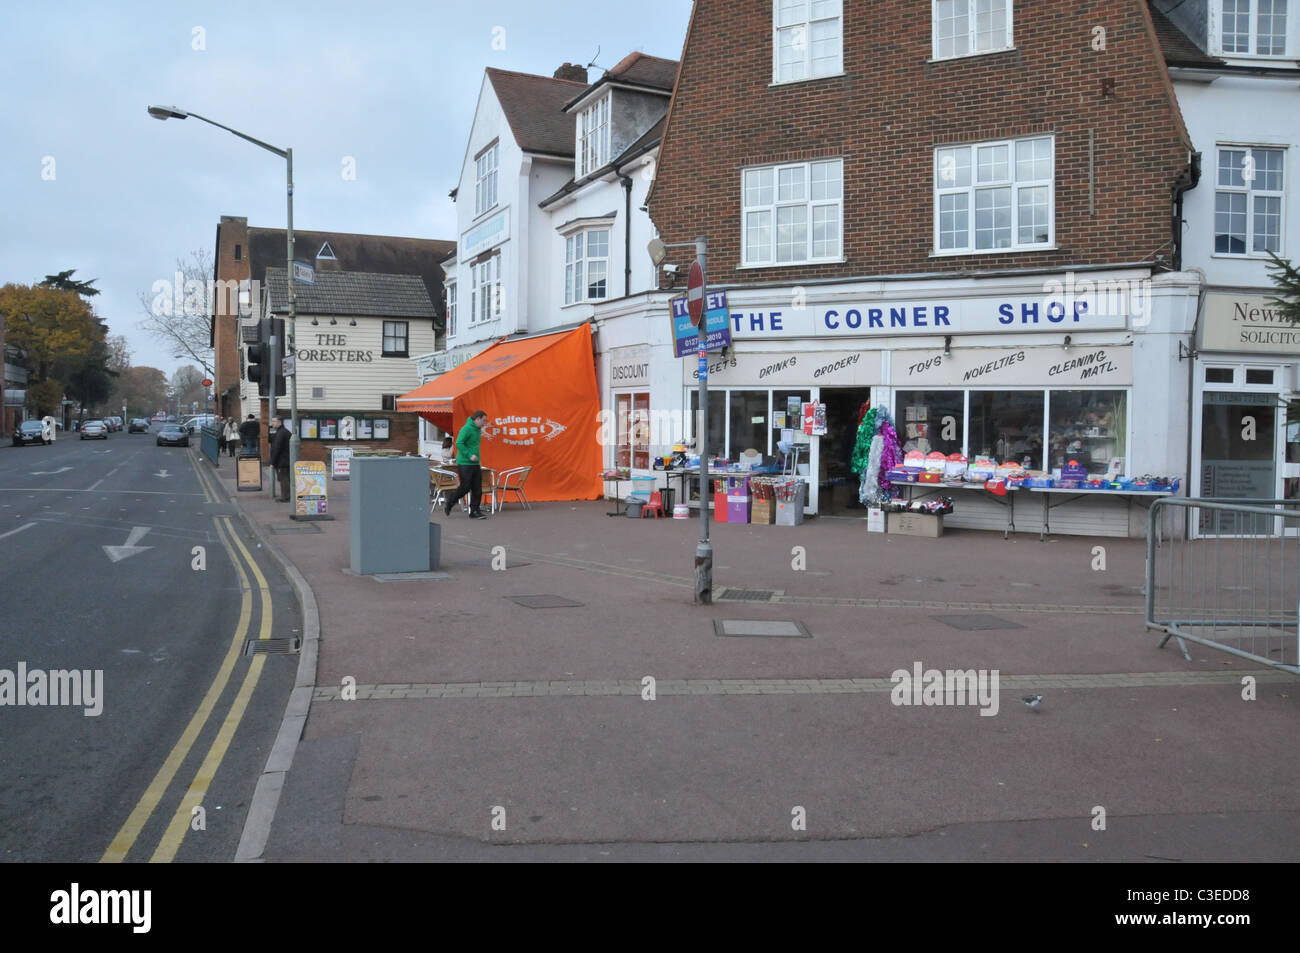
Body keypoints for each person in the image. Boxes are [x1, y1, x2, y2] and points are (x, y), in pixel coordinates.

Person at [443, 410, 488, 519]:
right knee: (465, 487)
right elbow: (458, 443)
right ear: (477, 419)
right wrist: (469, 455)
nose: (484, 423)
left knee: (477, 488)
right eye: (483, 420)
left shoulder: (477, 430)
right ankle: (450, 500)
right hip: (465, 463)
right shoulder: (466, 429)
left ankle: (474, 511)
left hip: (475, 463)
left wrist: (484, 432)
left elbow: (474, 443)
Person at [268, 416, 291, 502]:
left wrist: (272, 462)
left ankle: (286, 497)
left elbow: (277, 448)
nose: (272, 423)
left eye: (274, 421)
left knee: (283, 479)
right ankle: (286, 496)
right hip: (285, 460)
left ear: (280, 422)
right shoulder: (282, 432)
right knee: (285, 478)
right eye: (272, 421)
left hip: (282, 460)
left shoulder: (281, 433)